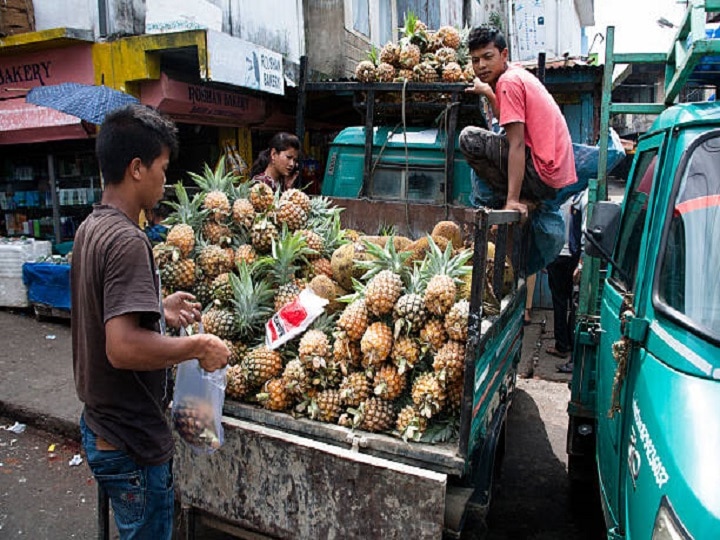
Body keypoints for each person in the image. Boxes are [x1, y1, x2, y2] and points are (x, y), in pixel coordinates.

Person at [70, 104, 230, 539]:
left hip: (101, 426)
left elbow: (103, 312)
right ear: (137, 168)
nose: (165, 179)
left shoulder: (92, 228)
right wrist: (198, 347)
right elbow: (121, 347)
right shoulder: (127, 240)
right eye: (162, 168)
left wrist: (158, 309)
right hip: (131, 442)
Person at [460, 25, 577, 219]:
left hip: (542, 173)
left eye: (488, 57)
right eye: (475, 60)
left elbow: (517, 143)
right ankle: (527, 199)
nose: (481, 65)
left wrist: (512, 200)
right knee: (501, 134)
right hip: (554, 175)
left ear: (504, 54)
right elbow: (507, 120)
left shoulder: (508, 82)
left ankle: (519, 198)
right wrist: (489, 92)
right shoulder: (516, 72)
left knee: (469, 139)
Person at [546, 189, 588, 373]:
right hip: (566, 255)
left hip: (567, 256)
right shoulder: (580, 197)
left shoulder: (571, 197)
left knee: (564, 301)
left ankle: (564, 345)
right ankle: (566, 344)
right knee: (567, 301)